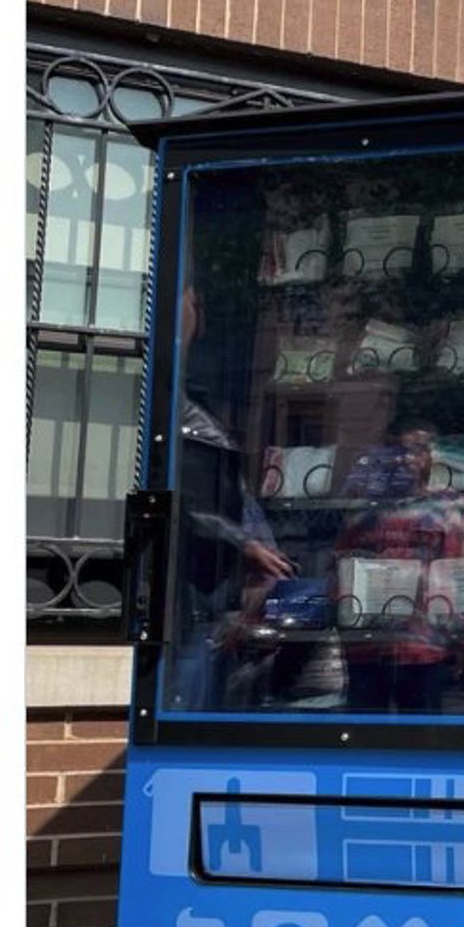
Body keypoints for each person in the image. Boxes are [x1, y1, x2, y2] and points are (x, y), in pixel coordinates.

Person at [170, 282, 294, 709]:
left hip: (216, 614)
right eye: (190, 297)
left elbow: (228, 500)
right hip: (188, 612)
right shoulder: (166, 401)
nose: (195, 307)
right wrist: (244, 546)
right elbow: (170, 498)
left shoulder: (194, 400)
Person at [333, 424, 464, 713]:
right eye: (396, 451)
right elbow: (338, 573)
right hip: (367, 651)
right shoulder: (363, 512)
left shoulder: (458, 509)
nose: (403, 459)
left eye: (414, 450)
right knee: (363, 742)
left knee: (422, 740)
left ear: (431, 457)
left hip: (429, 651)